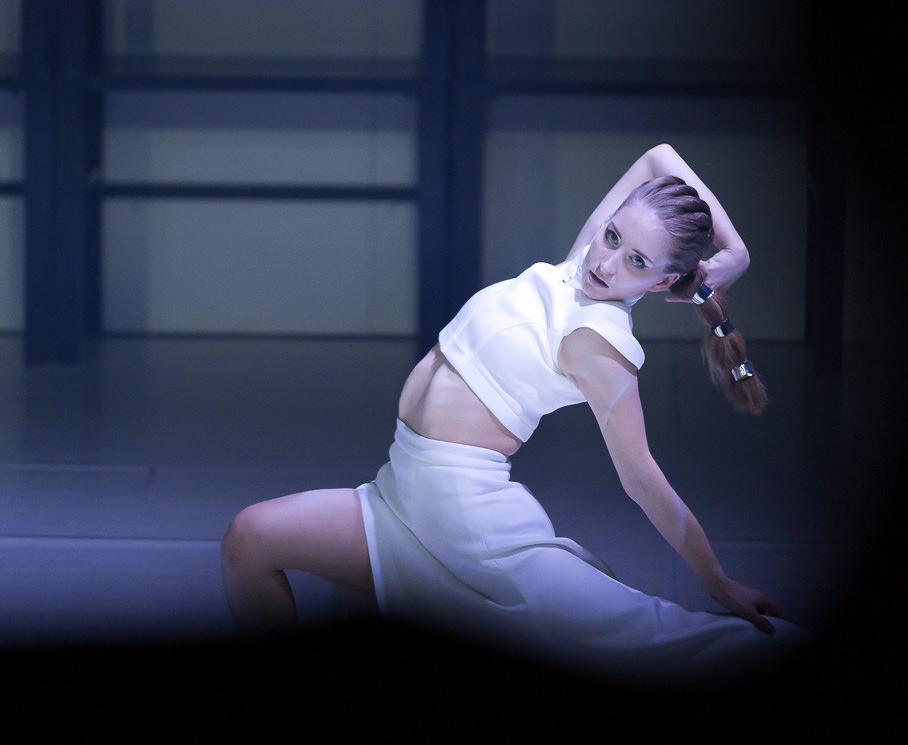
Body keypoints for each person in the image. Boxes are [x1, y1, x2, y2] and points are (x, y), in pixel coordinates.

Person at [221, 143, 809, 686]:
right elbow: (659, 158)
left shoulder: (600, 339)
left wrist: (717, 581)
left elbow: (641, 479)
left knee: (663, 642)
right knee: (249, 538)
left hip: (472, 526)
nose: (608, 262)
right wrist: (735, 254)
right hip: (398, 495)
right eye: (611, 236)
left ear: (664, 282)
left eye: (636, 261)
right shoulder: (577, 270)